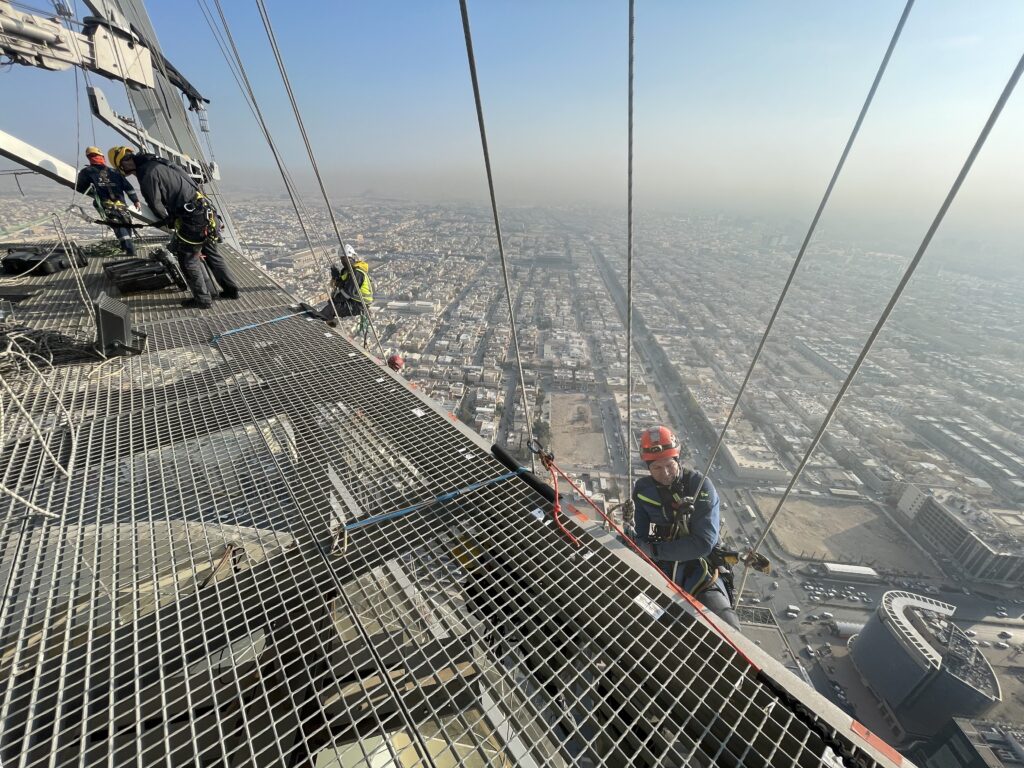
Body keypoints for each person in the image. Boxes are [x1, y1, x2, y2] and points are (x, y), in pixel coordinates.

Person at [630, 425, 741, 632]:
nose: (665, 473)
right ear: (648, 468)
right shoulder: (644, 490)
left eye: (669, 465)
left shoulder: (700, 486)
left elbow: (703, 543)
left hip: (699, 566)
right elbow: (641, 535)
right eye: (656, 468)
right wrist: (641, 549)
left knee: (726, 624)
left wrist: (653, 551)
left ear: (678, 460)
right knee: (641, 614)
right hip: (663, 560)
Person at [107, 146, 239, 309]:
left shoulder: (146, 172)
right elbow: (191, 184)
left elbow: (155, 204)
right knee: (212, 253)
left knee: (188, 260)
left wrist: (168, 221)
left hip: (193, 221)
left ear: (124, 164)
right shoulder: (162, 162)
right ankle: (231, 290)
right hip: (207, 214)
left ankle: (203, 299)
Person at [76, 146, 140, 256]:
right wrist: (135, 200)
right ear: (102, 157)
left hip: (106, 204)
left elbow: (80, 187)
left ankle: (129, 248)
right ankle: (128, 247)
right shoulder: (114, 172)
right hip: (120, 204)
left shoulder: (86, 172)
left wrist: (93, 193)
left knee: (118, 225)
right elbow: (128, 187)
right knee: (125, 222)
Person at [320, 244, 373, 327]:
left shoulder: (357, 273)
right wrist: (336, 277)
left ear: (351, 258)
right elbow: (342, 283)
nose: (343, 262)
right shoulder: (348, 271)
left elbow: (347, 293)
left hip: (359, 305)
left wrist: (335, 299)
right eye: (342, 259)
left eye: (344, 259)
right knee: (331, 306)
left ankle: (323, 326)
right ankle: (330, 324)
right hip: (354, 302)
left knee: (329, 310)